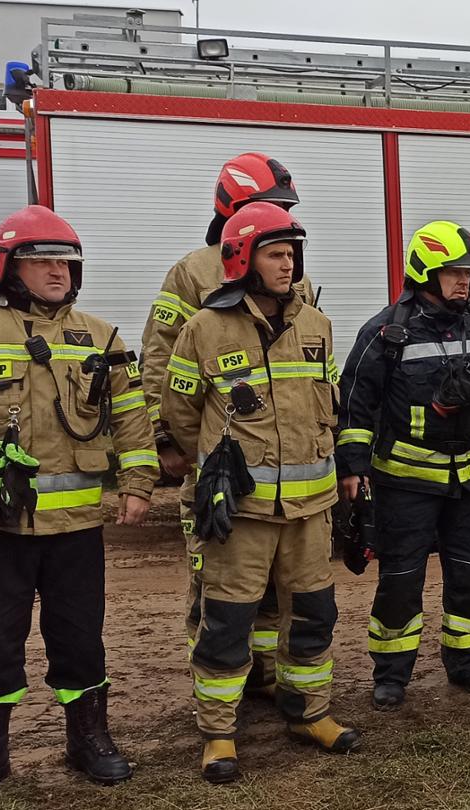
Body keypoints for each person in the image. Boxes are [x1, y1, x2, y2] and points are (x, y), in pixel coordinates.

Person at [0, 206, 156, 804]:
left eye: (66, 261)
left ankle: (89, 739)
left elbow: (131, 417)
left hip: (76, 526)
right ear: (8, 268)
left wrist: (140, 482)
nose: (57, 271)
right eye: (41, 260)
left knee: (80, 636)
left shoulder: (100, 336)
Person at [163, 202, 358, 782]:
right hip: (240, 514)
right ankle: (219, 734)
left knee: (313, 616)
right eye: (276, 254)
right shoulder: (205, 327)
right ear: (243, 259)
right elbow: (179, 410)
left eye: (292, 253)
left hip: (310, 511)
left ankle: (310, 714)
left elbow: (331, 403)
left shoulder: (315, 324)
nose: (288, 264)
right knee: (226, 620)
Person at [336, 221, 470, 707]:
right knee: (401, 580)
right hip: (406, 483)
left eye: (469, 273)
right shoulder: (386, 332)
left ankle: (467, 664)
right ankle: (392, 674)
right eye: (455, 272)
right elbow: (357, 404)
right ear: (425, 271)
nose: (465, 281)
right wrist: (353, 466)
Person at [141, 152, 310, 691]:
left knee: (275, 588)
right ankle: (216, 688)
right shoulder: (192, 273)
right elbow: (160, 361)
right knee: (216, 582)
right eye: (271, 205)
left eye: (285, 208)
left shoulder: (293, 269)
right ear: (234, 205)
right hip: (219, 462)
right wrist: (167, 439)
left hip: (282, 468)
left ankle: (261, 679)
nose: (281, 217)